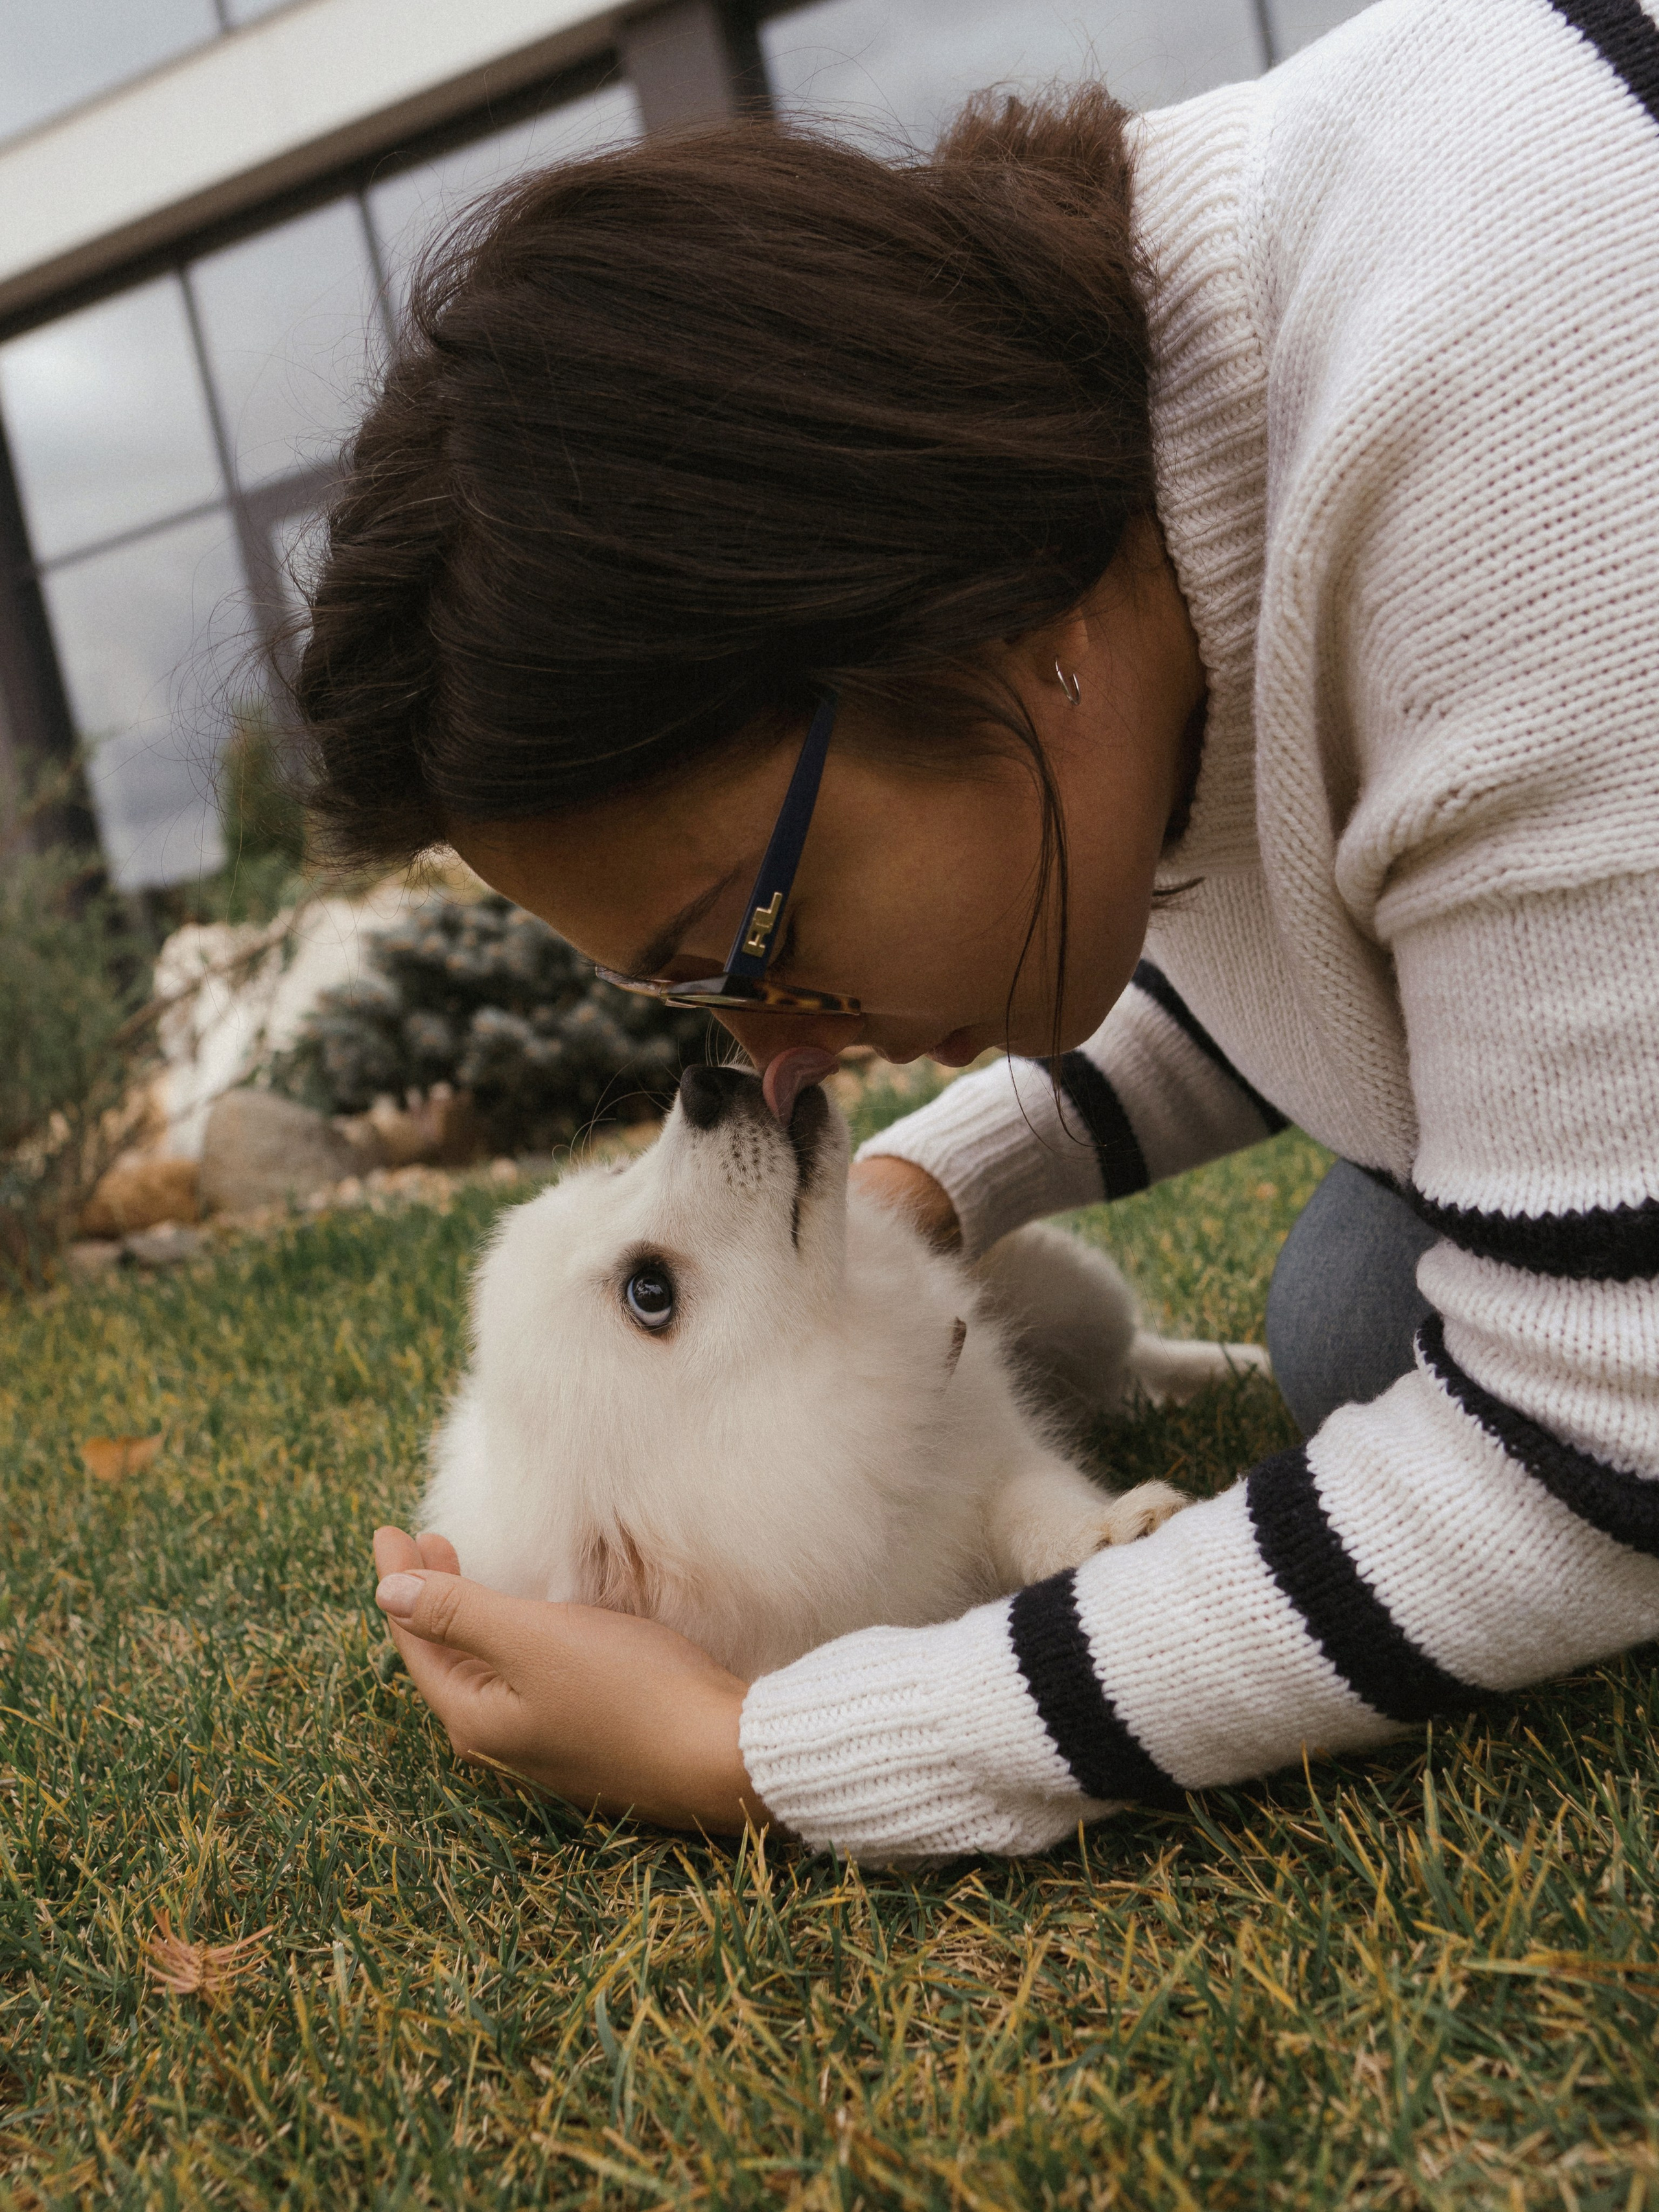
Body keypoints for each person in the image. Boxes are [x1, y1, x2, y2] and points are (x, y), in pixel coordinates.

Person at [302, 0, 1659, 1859]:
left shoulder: (1512, 423)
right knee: (1350, 1313)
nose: (771, 1051)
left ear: (953, 611)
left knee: (1374, 1334)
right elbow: (1361, 919)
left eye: (749, 933)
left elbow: (1595, 1450)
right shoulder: (1139, 522)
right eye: (697, 998)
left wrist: (764, 1746)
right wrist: (922, 1190)